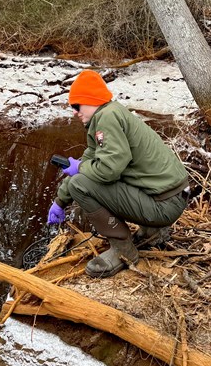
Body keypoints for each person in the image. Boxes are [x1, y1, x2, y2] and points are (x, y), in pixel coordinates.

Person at [47, 69, 191, 279]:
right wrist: (60, 201)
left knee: (81, 183)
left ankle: (123, 251)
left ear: (91, 101)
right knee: (83, 179)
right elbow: (91, 161)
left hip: (164, 205)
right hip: (173, 197)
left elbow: (107, 171)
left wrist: (80, 169)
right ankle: (152, 231)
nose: (75, 112)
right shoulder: (110, 114)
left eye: (77, 106)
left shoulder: (107, 118)